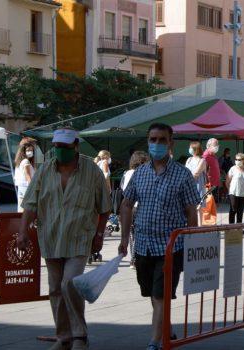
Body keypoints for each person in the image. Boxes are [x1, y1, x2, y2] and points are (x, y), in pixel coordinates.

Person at [17, 128, 111, 350]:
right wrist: (22, 232)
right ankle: (64, 337)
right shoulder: (45, 170)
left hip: (79, 237)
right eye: (57, 146)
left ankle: (80, 335)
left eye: (65, 147)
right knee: (55, 289)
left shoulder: (92, 171)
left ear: (76, 146)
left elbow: (104, 207)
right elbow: (30, 204)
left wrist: (99, 235)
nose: (60, 151)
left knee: (70, 283)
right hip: (50, 237)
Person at [118, 123, 200, 350]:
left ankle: (156, 341)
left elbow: (191, 210)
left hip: (170, 246)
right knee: (151, 293)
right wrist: (125, 239)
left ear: (171, 143)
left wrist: (192, 241)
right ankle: (167, 326)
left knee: (160, 294)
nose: (157, 144)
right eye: (153, 139)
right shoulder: (140, 174)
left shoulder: (182, 175)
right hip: (143, 245)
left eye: (162, 140)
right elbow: (126, 204)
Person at [120, 151, 151, 269]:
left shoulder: (127, 173)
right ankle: (137, 258)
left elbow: (123, 188)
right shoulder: (143, 173)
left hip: (129, 206)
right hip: (140, 206)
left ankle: (133, 259)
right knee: (139, 234)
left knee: (131, 234)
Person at [185, 142, 207, 224]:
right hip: (188, 186)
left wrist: (186, 179)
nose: (189, 149)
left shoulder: (202, 160)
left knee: (199, 208)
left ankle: (200, 228)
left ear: (195, 149)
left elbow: (196, 174)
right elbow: (185, 172)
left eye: (191, 148)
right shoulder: (189, 159)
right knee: (189, 208)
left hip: (198, 186)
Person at [227, 153, 244, 224]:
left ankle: (239, 228)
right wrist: (230, 191)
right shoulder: (233, 169)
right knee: (233, 210)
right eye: (236, 159)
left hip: (243, 194)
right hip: (233, 193)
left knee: (240, 211)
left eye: (239, 159)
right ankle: (231, 227)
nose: (237, 161)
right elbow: (227, 181)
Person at [14, 142, 36, 212]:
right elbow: (28, 176)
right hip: (27, 189)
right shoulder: (26, 161)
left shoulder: (20, 161)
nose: (30, 152)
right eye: (28, 150)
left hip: (21, 189)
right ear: (23, 151)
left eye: (31, 150)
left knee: (22, 211)